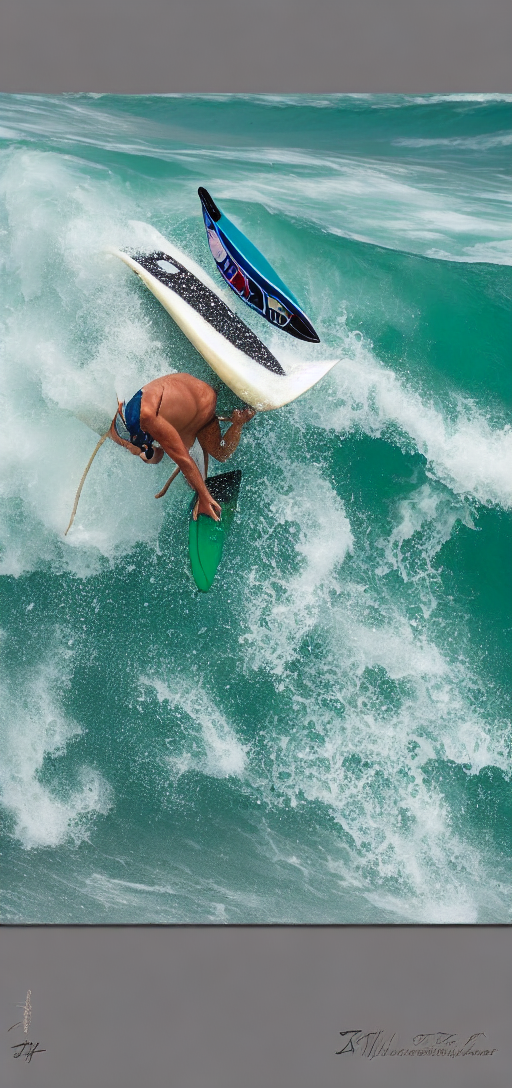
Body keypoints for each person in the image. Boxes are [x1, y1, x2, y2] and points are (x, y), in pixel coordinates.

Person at [108, 373, 255, 521]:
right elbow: (122, 411)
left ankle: (235, 424)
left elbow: (183, 460)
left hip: (200, 409)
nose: (130, 451)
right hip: (203, 403)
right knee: (221, 453)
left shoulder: (147, 418)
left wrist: (204, 496)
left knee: (189, 472)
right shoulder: (130, 411)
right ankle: (238, 421)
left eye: (128, 446)